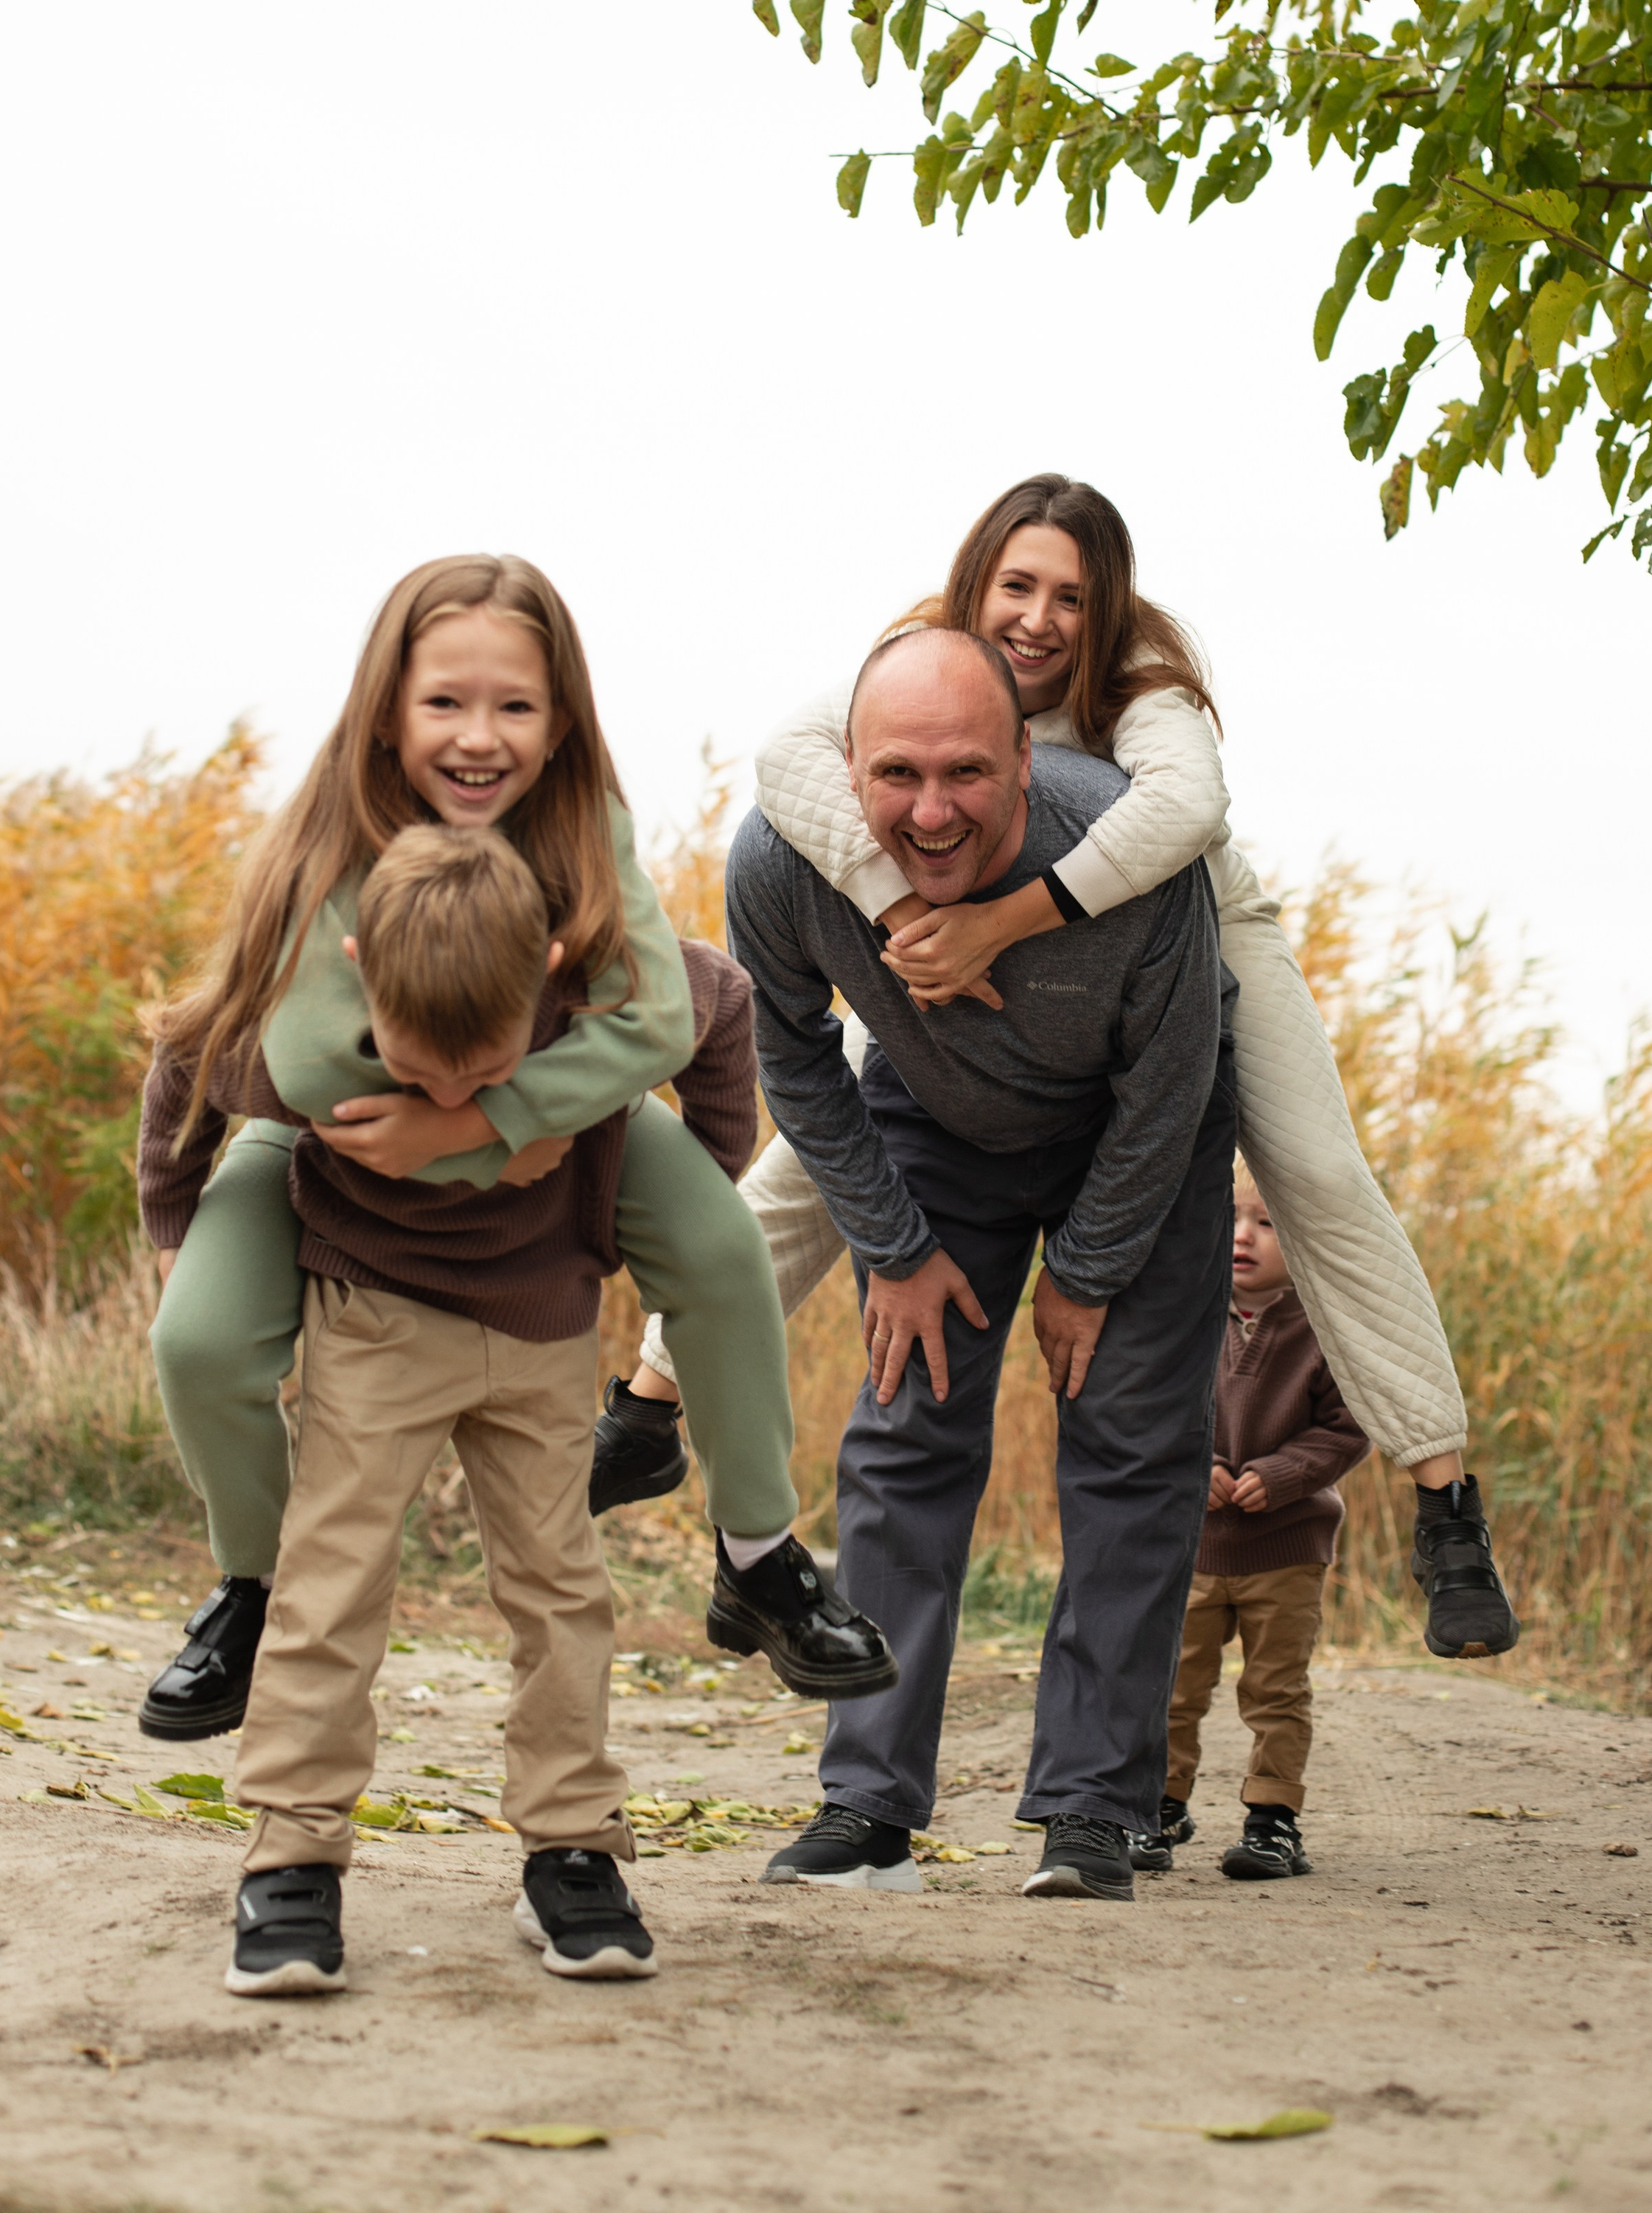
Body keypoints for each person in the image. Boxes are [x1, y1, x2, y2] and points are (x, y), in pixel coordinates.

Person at [614, 475, 1516, 1664]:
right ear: (976, 582)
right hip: (959, 934)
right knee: (814, 1156)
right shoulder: (925, 662)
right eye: (1018, 586)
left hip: (1191, 938)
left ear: (1109, 611)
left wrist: (1003, 921)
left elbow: (1186, 807)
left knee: (1316, 1170)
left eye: (1073, 598)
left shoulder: (1141, 687)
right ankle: (647, 1409)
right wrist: (910, 920)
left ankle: (1446, 1504)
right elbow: (788, 760)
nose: (1039, 620)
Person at [138, 555, 892, 1748]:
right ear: (387, 710)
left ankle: (759, 1555)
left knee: (723, 1251)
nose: (479, 736)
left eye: (516, 706)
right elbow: (308, 1057)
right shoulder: (329, 835)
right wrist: (179, 1223)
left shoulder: (584, 827)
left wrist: (499, 1124)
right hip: (321, 1128)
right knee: (196, 1341)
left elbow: (660, 1017)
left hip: (559, 1102)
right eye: (445, 702)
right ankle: (254, 1582)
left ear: (561, 721)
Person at [725, 624, 1238, 1903]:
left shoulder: (1124, 850)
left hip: (1136, 1133)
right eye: (897, 775)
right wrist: (893, 1249)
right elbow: (794, 1058)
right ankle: (867, 1807)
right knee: (907, 1427)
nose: (932, 810)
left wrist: (1089, 1270)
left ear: (1025, 760)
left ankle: (1093, 1810)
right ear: (849, 770)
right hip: (935, 1120)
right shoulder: (783, 863)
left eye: (966, 772)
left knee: (1132, 1445)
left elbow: (1173, 1080)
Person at [141, 822, 682, 1987]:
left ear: (545, 982)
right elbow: (188, 1053)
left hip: (541, 1323)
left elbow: (721, 1010)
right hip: (377, 1317)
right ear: (359, 973)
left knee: (560, 1587)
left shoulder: (587, 1011)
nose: (443, 1095)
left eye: (479, 1072)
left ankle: (573, 1847)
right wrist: (176, 1227)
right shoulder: (310, 1030)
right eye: (414, 1066)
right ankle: (292, 1854)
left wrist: (677, 1200)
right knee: (328, 1583)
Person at [1152, 1168, 1369, 1884]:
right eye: (1232, 1216)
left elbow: (1348, 1429)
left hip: (1286, 1549)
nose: (1244, 1235)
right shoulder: (1186, 1312)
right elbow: (1155, 1407)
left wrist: (1282, 1474)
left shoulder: (1326, 1328)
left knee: (1276, 1689)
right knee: (1173, 1684)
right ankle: (1160, 1804)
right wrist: (1199, 1464)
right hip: (1194, 1548)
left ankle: (1273, 1821)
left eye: (1268, 1223)